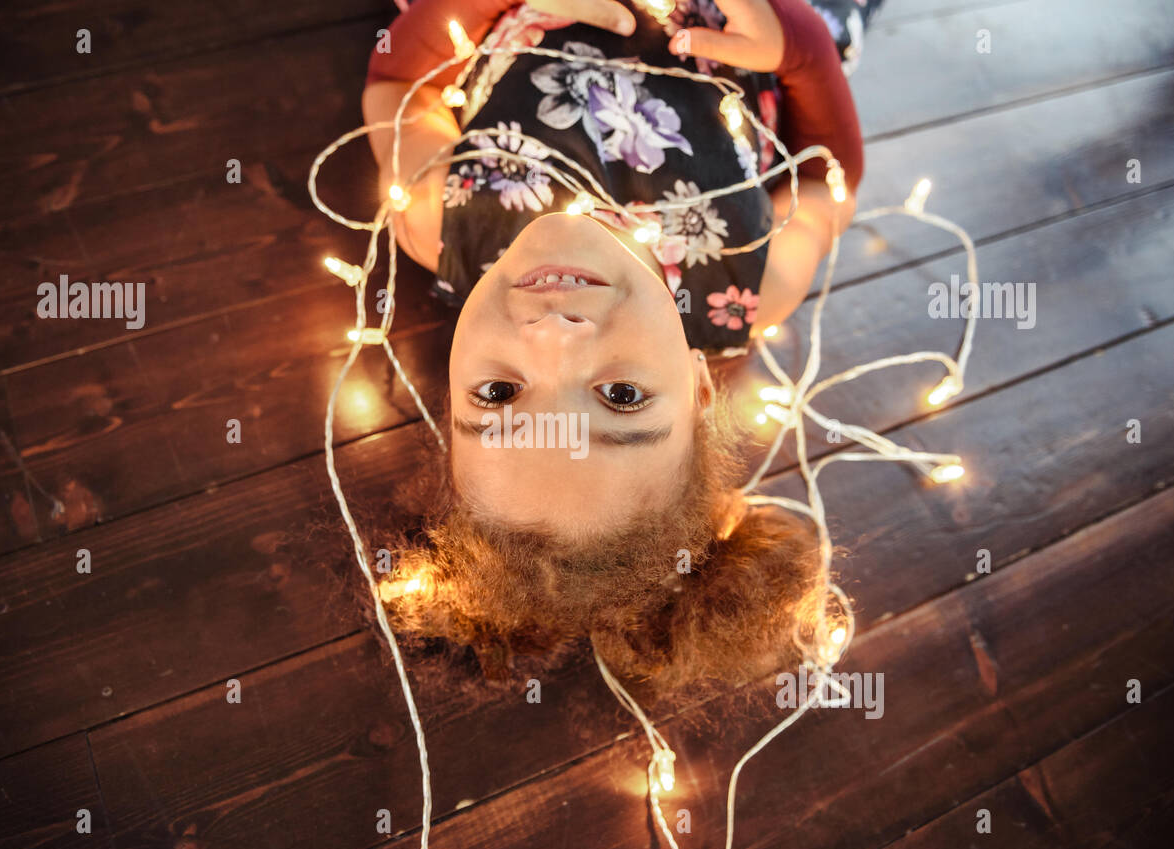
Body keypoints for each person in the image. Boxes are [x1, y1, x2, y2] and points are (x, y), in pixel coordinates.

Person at [354, 0, 881, 702]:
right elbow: (826, 181)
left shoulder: (443, 219)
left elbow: (397, 84)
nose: (555, 336)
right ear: (699, 389)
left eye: (500, 395)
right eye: (621, 398)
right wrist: (797, 44)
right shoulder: (754, 282)